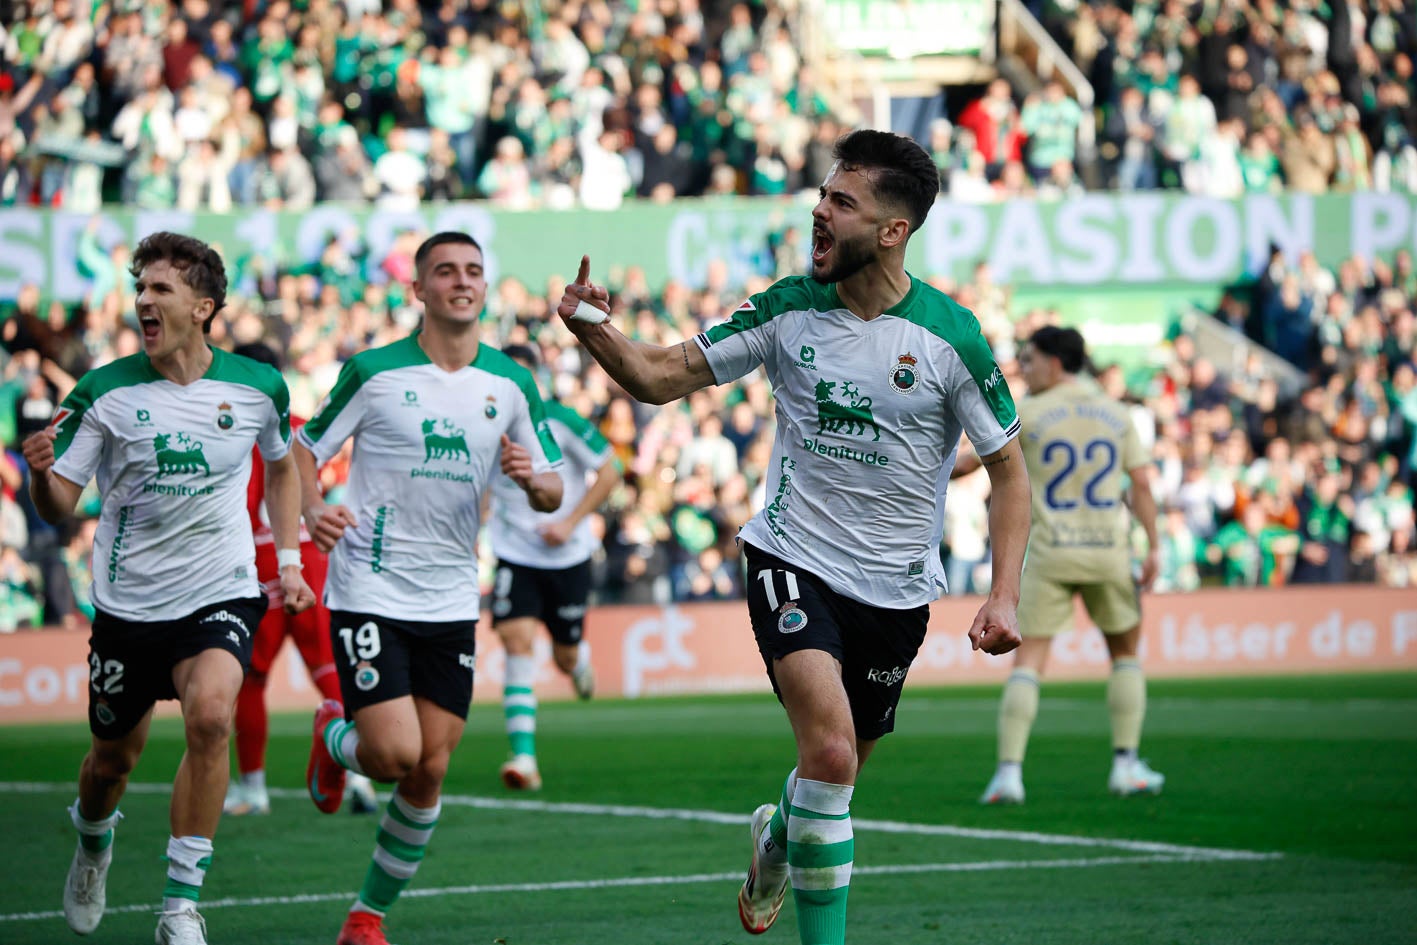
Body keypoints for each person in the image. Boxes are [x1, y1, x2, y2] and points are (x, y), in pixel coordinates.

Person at [554, 129, 1030, 945]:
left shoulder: (952, 337)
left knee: (829, 783)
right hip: (792, 557)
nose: (818, 211)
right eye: (821, 194)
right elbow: (659, 376)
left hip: (898, 589)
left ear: (892, 230)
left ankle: (775, 841)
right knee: (834, 753)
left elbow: (1009, 471)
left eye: (841, 203)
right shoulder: (784, 308)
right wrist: (594, 329)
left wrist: (1002, 590)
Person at [23, 231, 314, 945]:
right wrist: (39, 470)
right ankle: (93, 842)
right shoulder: (106, 390)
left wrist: (288, 559)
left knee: (212, 715)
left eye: (161, 289)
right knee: (111, 763)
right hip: (129, 604)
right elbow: (60, 502)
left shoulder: (256, 386)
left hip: (221, 586)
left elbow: (281, 466)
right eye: (141, 288)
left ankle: (180, 904)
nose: (143, 301)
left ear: (203, 306)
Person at [295, 231, 564, 945]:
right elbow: (302, 447)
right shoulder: (375, 371)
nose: (461, 281)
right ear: (419, 289)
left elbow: (552, 484)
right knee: (390, 755)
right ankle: (333, 734)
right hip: (369, 587)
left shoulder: (510, 382)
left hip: (449, 597)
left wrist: (533, 481)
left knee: (430, 767)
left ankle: (365, 917)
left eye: (473, 270)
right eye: (444, 271)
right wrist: (312, 510)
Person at [968, 326, 1164, 805]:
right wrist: (1154, 545)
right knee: (1125, 654)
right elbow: (1140, 484)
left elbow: (973, 463)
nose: (1025, 369)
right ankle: (1126, 765)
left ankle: (1009, 773)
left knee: (1029, 664)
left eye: (1030, 360)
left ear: (1056, 363)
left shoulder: (1029, 413)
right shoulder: (1119, 414)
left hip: (1051, 554)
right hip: (1108, 552)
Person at [221, 342, 378, 818]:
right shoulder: (300, 427)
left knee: (250, 678)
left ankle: (253, 789)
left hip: (262, 562)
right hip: (315, 559)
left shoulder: (237, 432)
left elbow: (244, 507)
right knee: (333, 673)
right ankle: (356, 778)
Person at [487, 343, 620, 791]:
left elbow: (610, 470)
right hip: (514, 553)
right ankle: (523, 757)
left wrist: (569, 522)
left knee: (563, 657)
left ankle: (577, 660)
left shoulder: (562, 421)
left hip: (567, 556)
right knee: (516, 641)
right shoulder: (483, 426)